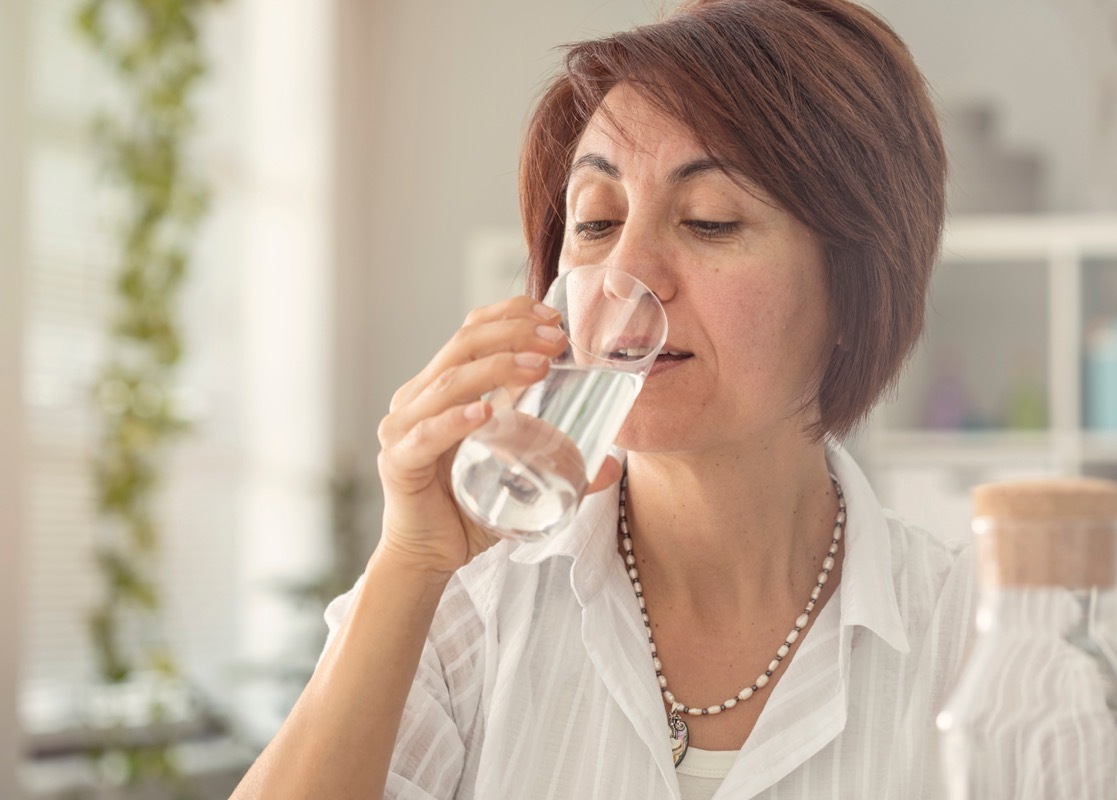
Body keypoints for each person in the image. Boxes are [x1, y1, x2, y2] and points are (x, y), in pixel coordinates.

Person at [233, 0, 976, 797]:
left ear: (856, 289)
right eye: (596, 222)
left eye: (710, 221)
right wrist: (409, 565)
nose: (632, 278)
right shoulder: (465, 610)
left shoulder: (976, 643)